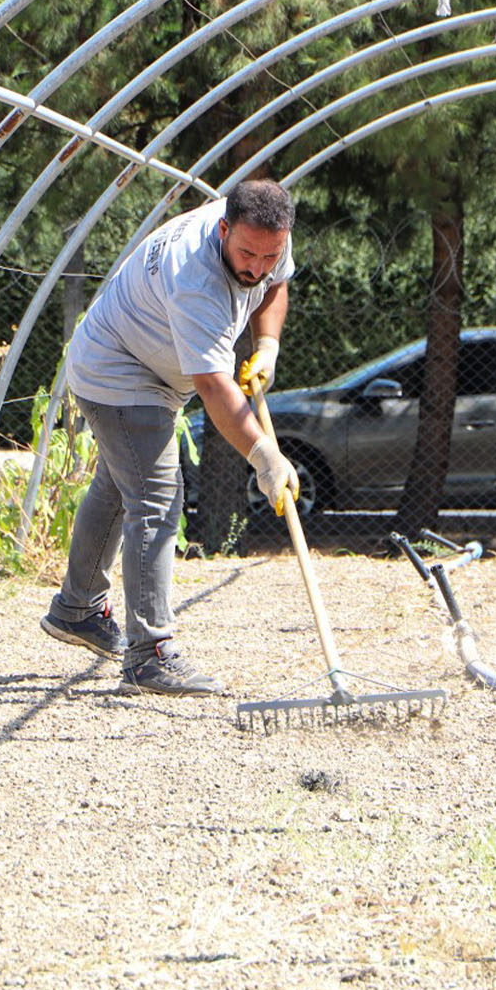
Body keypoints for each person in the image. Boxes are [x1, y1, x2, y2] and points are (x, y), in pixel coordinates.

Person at [40, 180, 301, 696]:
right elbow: (213, 387)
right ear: (223, 229)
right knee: (157, 496)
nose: (256, 266)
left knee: (120, 487)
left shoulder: (267, 238)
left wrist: (267, 344)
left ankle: (76, 609)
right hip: (118, 371)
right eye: (247, 253)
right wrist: (264, 456)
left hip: (153, 367)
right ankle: (149, 654)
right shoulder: (195, 278)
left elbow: (273, 285)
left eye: (269, 254)